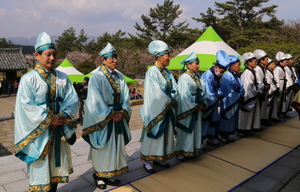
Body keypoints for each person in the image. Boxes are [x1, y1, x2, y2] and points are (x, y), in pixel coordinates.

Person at [14, 32, 78, 192]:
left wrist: (63, 115)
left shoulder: (63, 77)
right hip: (40, 132)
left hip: (59, 128)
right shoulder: (28, 79)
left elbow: (72, 99)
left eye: (54, 55)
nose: (51, 58)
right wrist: (49, 119)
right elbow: (26, 107)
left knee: (56, 168)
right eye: (48, 54)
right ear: (36, 55)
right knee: (41, 168)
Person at [82, 42, 132, 190]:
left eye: (116, 57)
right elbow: (94, 101)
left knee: (115, 146)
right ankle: (98, 175)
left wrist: (123, 111)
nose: (115, 60)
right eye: (111, 58)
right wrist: (110, 114)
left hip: (117, 117)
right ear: (103, 60)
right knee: (102, 147)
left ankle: (109, 173)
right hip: (103, 119)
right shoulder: (97, 77)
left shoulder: (120, 77)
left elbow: (126, 98)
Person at [140, 40, 178, 173]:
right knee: (154, 134)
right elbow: (155, 94)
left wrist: (173, 97)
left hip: (166, 109)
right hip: (155, 110)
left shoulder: (168, 72)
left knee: (164, 135)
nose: (169, 58)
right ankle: (147, 160)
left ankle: (158, 157)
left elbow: (175, 88)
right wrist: (169, 100)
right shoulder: (152, 72)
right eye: (167, 55)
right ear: (159, 56)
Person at [175, 52, 206, 161]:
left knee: (195, 130)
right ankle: (181, 150)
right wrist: (194, 106)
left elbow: (203, 90)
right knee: (185, 131)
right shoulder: (184, 78)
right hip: (188, 109)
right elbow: (183, 95)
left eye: (198, 63)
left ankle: (191, 149)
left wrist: (202, 103)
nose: (198, 66)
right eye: (196, 63)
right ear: (188, 65)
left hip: (197, 108)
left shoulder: (197, 76)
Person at [202, 50, 230, 146]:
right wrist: (218, 96)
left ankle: (211, 137)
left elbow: (218, 88)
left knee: (214, 120)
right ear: (216, 67)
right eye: (221, 71)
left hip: (214, 102)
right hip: (207, 102)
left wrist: (219, 94)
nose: (221, 73)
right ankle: (201, 140)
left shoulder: (217, 75)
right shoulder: (207, 75)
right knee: (204, 121)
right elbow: (208, 93)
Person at [219, 55, 245, 142]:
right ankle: (223, 134)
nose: (239, 67)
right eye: (238, 64)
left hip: (235, 100)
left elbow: (241, 86)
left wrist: (241, 94)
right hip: (228, 101)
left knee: (233, 117)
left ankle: (228, 134)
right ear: (232, 65)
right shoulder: (227, 76)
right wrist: (238, 96)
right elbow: (227, 90)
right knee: (227, 117)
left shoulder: (236, 75)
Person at [238, 52, 264, 137]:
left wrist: (259, 89)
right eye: (254, 61)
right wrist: (257, 91)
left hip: (254, 95)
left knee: (252, 114)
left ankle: (249, 128)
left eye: (256, 61)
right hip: (250, 96)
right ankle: (243, 129)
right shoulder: (246, 73)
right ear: (248, 62)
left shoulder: (254, 72)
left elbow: (258, 82)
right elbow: (247, 87)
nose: (256, 63)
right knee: (246, 114)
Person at [253, 49, 271, 126]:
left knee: (263, 105)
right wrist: (263, 86)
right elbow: (258, 80)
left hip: (263, 89)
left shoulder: (263, 68)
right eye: (266, 59)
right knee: (260, 106)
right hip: (260, 89)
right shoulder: (257, 69)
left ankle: (262, 120)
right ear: (261, 60)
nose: (268, 61)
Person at [273, 52, 289, 118]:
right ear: (280, 62)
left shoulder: (283, 68)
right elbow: (276, 78)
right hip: (280, 84)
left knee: (282, 99)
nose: (286, 63)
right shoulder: (277, 69)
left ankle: (281, 111)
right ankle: (277, 112)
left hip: (283, 84)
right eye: (285, 62)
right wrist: (278, 87)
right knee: (278, 99)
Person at [265, 58, 280, 123]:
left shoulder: (271, 72)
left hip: (273, 90)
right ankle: (266, 119)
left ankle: (272, 117)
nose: (275, 65)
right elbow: (269, 82)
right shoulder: (267, 72)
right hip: (270, 91)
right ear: (268, 65)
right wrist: (274, 89)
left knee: (273, 105)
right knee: (268, 106)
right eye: (273, 64)